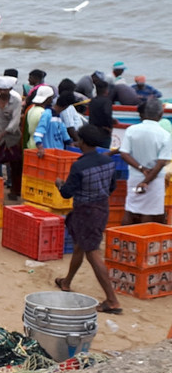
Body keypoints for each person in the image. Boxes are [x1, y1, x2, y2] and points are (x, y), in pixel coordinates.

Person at [54, 123, 123, 314]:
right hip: (102, 208)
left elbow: (67, 193)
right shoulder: (108, 162)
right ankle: (67, 282)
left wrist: (59, 183)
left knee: (92, 252)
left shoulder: (79, 166)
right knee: (80, 246)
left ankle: (112, 300)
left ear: (81, 142)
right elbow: (112, 187)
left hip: (85, 212)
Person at [119, 98, 172, 225]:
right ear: (160, 115)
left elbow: (124, 153)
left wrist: (141, 168)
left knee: (131, 208)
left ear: (144, 114)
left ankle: (125, 239)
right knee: (150, 211)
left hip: (135, 177)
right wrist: (146, 181)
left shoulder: (131, 130)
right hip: (154, 181)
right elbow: (161, 163)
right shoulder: (165, 135)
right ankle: (142, 238)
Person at [0, 76, 24, 199]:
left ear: (10, 89)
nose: (3, 92)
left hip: (11, 137)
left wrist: (2, 135)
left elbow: (15, 122)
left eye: (6, 90)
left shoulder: (16, 101)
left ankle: (15, 191)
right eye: (1, 90)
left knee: (15, 164)